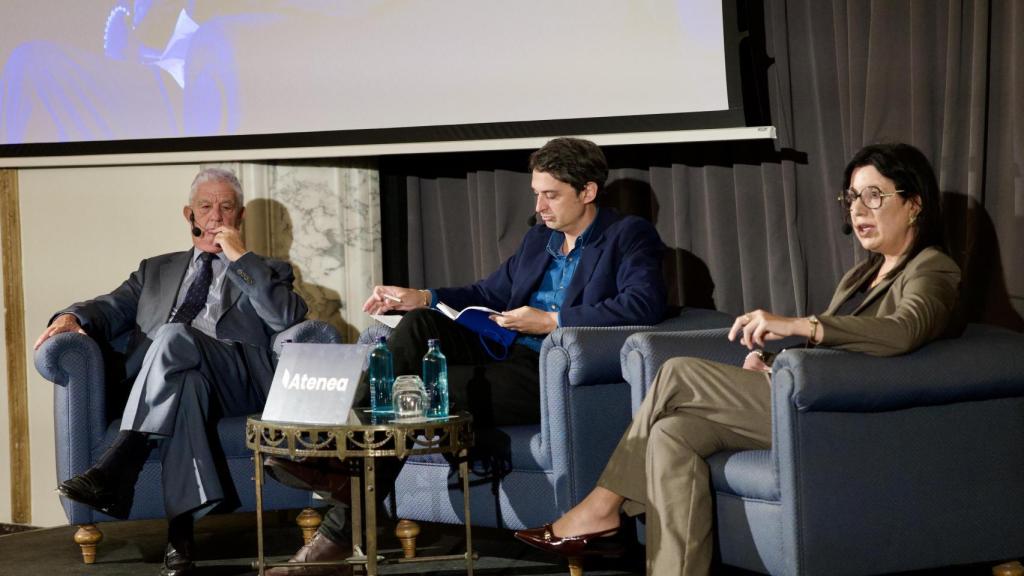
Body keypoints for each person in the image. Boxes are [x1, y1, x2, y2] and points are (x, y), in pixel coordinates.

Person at [514, 142, 962, 575]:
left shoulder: (932, 268)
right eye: (852, 197)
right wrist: (774, 362)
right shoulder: (860, 275)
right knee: (673, 433)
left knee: (677, 373)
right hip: (806, 398)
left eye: (874, 195)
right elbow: (838, 348)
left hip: (849, 415)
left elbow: (903, 332)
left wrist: (800, 324)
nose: (858, 209)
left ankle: (601, 506)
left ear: (914, 204)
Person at [264, 136, 668, 575]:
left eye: (551, 195)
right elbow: (486, 293)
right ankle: (337, 451)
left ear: (587, 191)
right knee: (420, 324)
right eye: (537, 194)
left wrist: (552, 320)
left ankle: (339, 508)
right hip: (500, 349)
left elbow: (642, 304)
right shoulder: (539, 240)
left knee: (414, 391)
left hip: (549, 370)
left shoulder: (627, 235)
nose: (541, 207)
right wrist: (421, 296)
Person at [36, 168, 308, 576]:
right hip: (178, 379)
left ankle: (119, 462)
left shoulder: (267, 269)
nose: (215, 215)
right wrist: (71, 316)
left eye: (226, 207)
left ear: (240, 215)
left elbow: (287, 316)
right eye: (206, 206)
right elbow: (109, 309)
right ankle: (180, 539)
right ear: (190, 214)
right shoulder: (155, 270)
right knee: (186, 384)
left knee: (173, 334)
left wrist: (239, 258)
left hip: (236, 380)